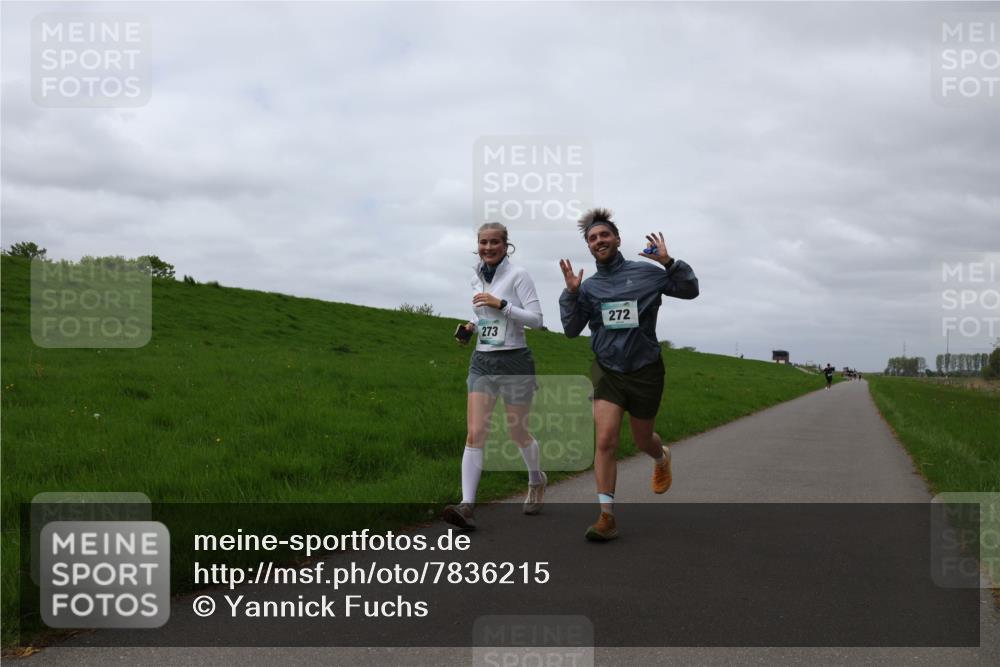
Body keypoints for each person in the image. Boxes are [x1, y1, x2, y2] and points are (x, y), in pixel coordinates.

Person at [558, 208, 699, 541]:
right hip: (607, 369)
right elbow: (570, 328)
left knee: (641, 440)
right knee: (605, 439)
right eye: (592, 238)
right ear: (589, 247)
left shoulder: (647, 273)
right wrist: (571, 293)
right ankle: (606, 517)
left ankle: (660, 456)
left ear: (617, 239)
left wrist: (669, 262)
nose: (598, 241)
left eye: (604, 235)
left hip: (645, 370)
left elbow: (690, 290)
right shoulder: (589, 288)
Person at [443, 222, 546, 531]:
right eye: (483, 242)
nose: (488, 247)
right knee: (475, 432)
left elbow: (538, 320)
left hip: (514, 362)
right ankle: (467, 506)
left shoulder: (519, 275)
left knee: (517, 433)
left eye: (495, 242)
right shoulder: (475, 276)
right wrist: (471, 327)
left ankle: (536, 479)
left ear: (506, 245)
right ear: (478, 245)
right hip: (483, 362)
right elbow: (483, 314)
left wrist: (502, 304)